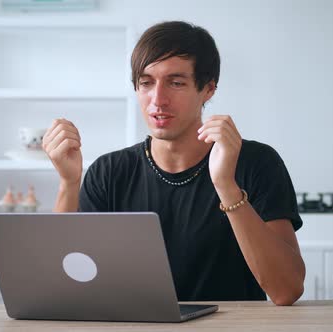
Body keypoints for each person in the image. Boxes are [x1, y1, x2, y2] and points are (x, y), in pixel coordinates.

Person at [42, 21, 305, 306]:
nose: (158, 100)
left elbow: (286, 290)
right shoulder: (109, 172)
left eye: (176, 83)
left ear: (208, 89)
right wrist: (69, 184)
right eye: (146, 83)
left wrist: (225, 184)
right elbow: (62, 287)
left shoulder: (257, 163)